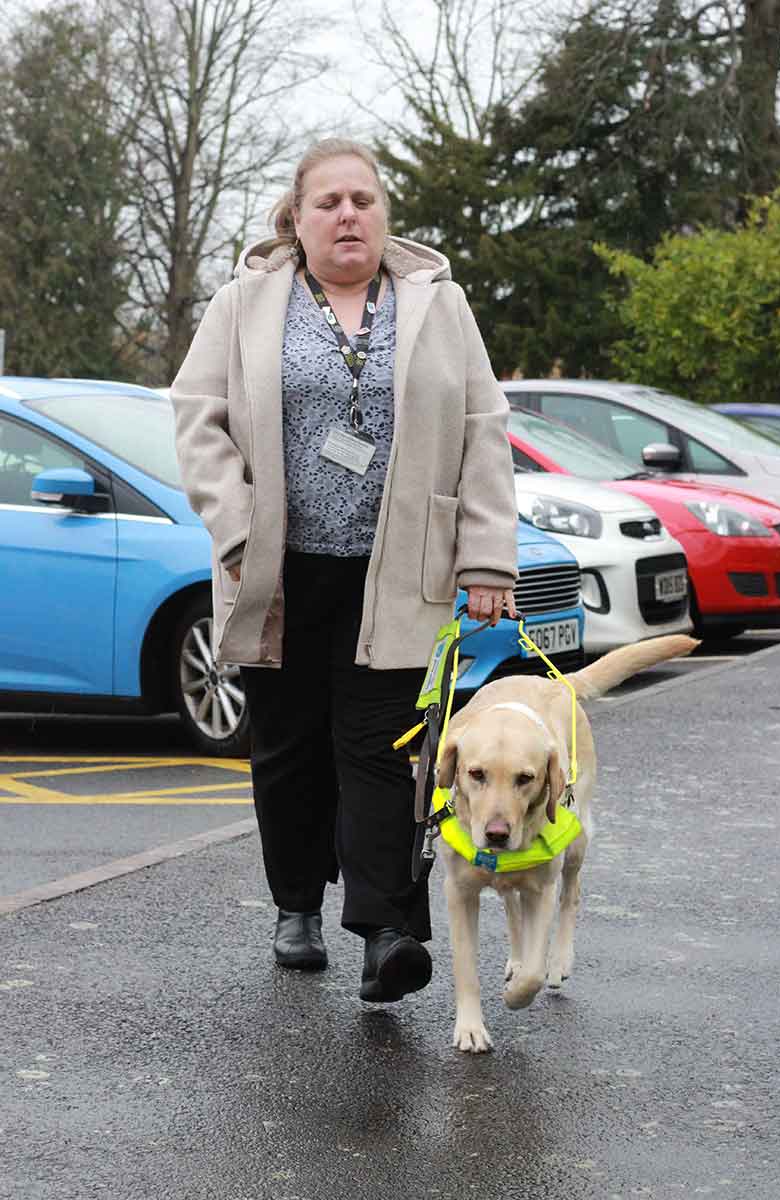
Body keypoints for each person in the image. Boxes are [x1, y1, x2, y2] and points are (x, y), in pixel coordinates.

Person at [171, 137, 519, 1003]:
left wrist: (487, 558)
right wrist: (238, 525)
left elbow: (484, 430)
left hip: (396, 570)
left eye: (363, 199)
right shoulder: (247, 301)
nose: (348, 215)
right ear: (297, 217)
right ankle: (296, 906)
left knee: (386, 752)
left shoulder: (437, 304)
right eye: (328, 202)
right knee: (289, 748)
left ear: (384, 214)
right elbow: (196, 417)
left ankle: (387, 932)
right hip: (278, 570)